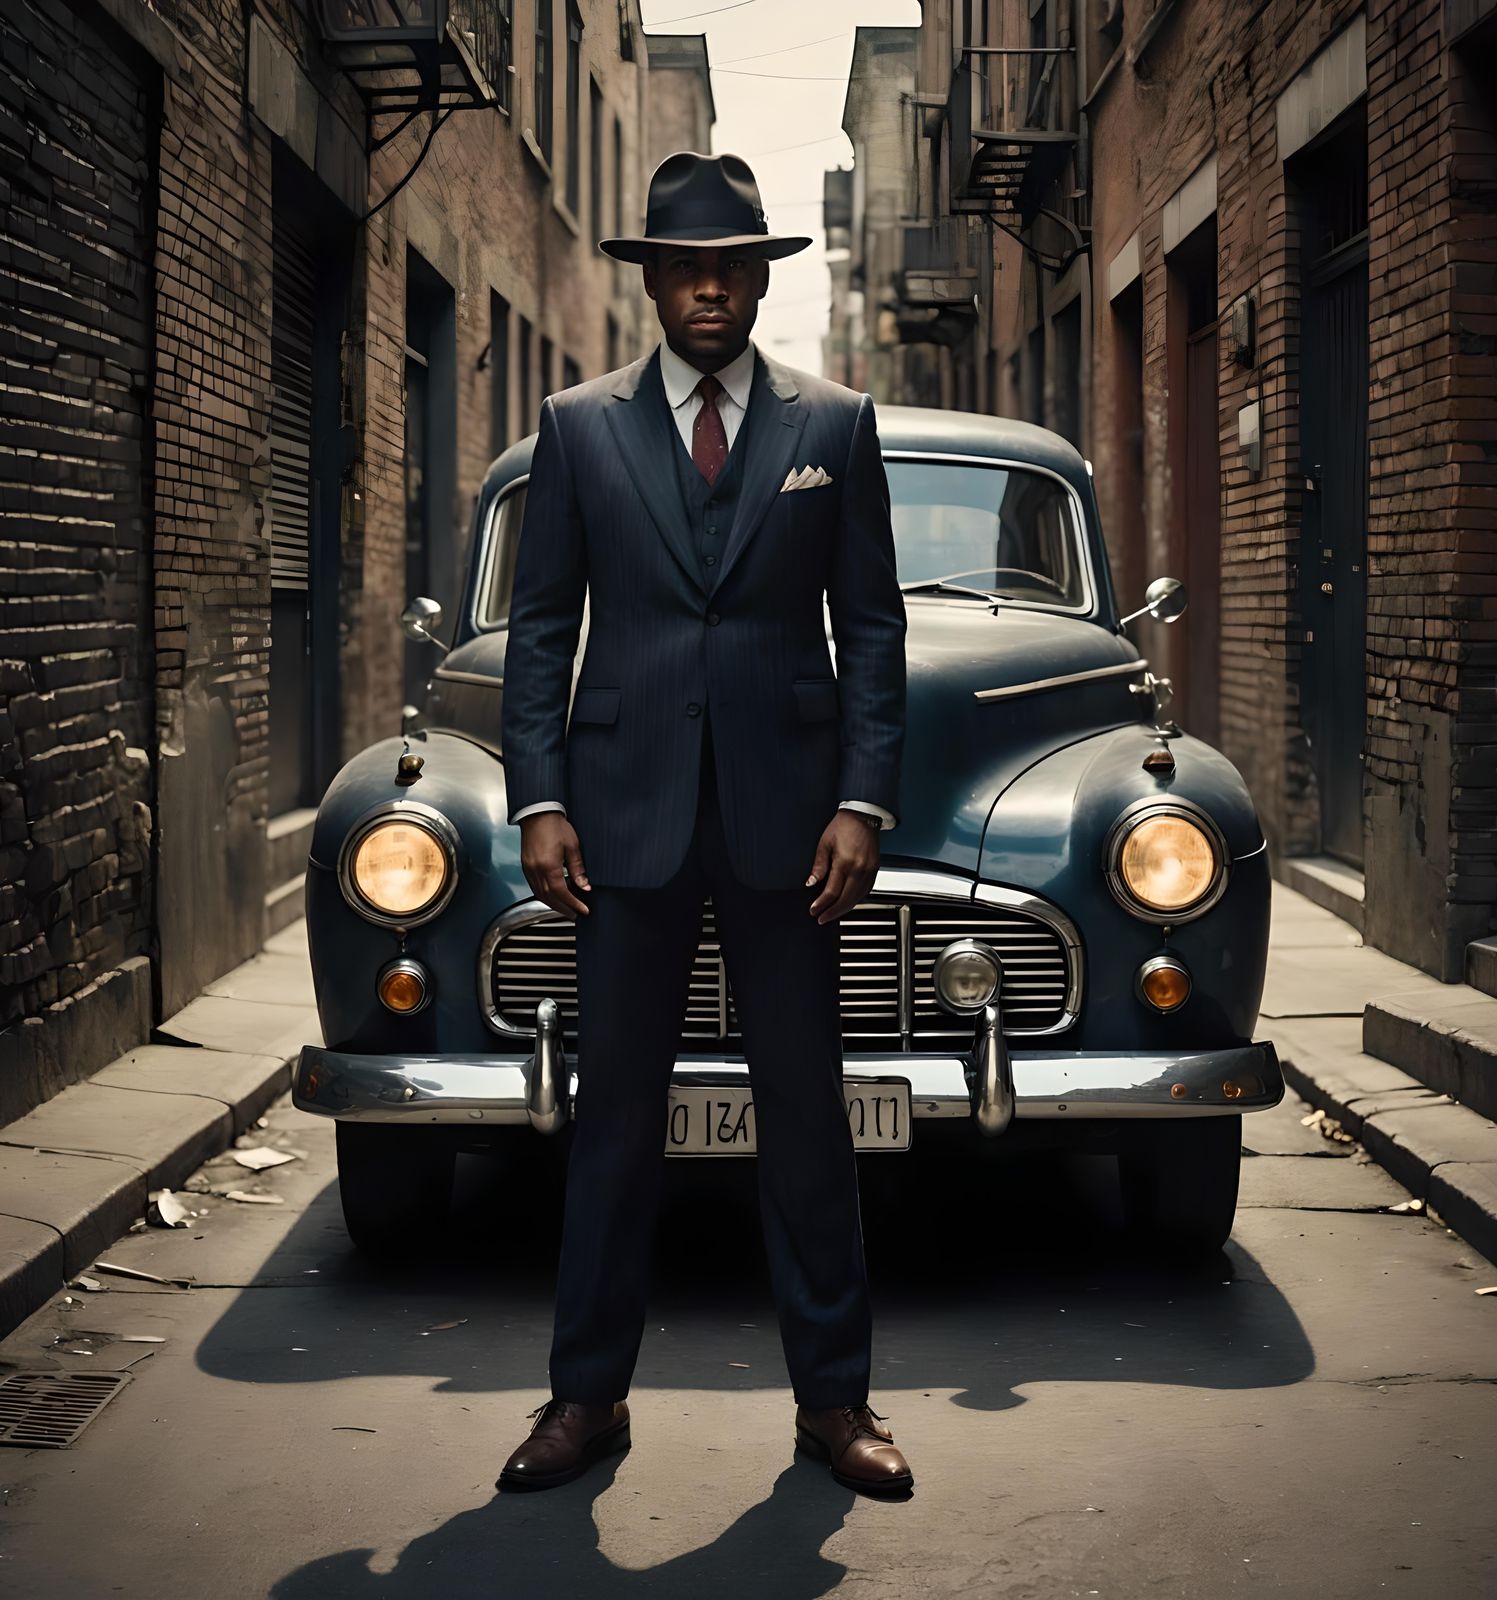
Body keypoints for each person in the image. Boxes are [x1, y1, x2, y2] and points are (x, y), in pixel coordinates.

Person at [498, 151, 910, 1497]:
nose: (710, 289)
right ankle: (585, 1399)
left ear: (761, 276)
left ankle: (836, 1407)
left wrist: (862, 797)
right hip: (623, 825)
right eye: (686, 269)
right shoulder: (577, 429)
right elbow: (544, 626)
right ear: (654, 283)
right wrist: (541, 796)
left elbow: (876, 625)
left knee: (806, 1116)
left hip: (795, 831)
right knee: (614, 1119)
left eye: (732, 266)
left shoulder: (833, 427)